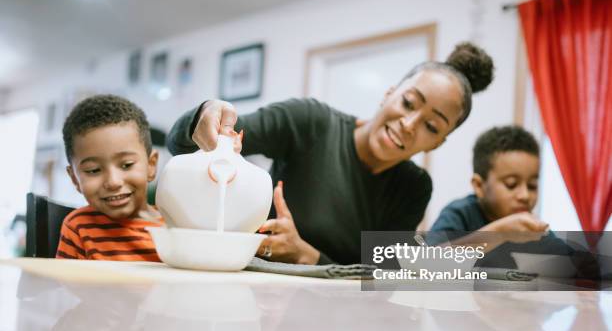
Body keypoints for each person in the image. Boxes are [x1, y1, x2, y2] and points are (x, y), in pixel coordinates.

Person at [168, 42, 494, 265]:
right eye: (408, 103)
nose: (409, 124)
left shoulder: (413, 187)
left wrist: (307, 256)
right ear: (389, 94)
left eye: (432, 127)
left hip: (339, 325)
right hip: (257, 299)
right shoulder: (311, 122)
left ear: (437, 143)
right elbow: (182, 144)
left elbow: (379, 278)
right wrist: (207, 114)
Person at [56, 95, 164, 261]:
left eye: (127, 165)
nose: (113, 182)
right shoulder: (78, 227)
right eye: (93, 170)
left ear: (151, 165)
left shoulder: (176, 225)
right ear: (75, 179)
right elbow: (64, 286)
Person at [428, 125, 547, 242]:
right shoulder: (459, 214)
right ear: (479, 186)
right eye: (511, 184)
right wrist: (500, 233)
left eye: (532, 186)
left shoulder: (532, 228)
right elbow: (431, 258)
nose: (525, 195)